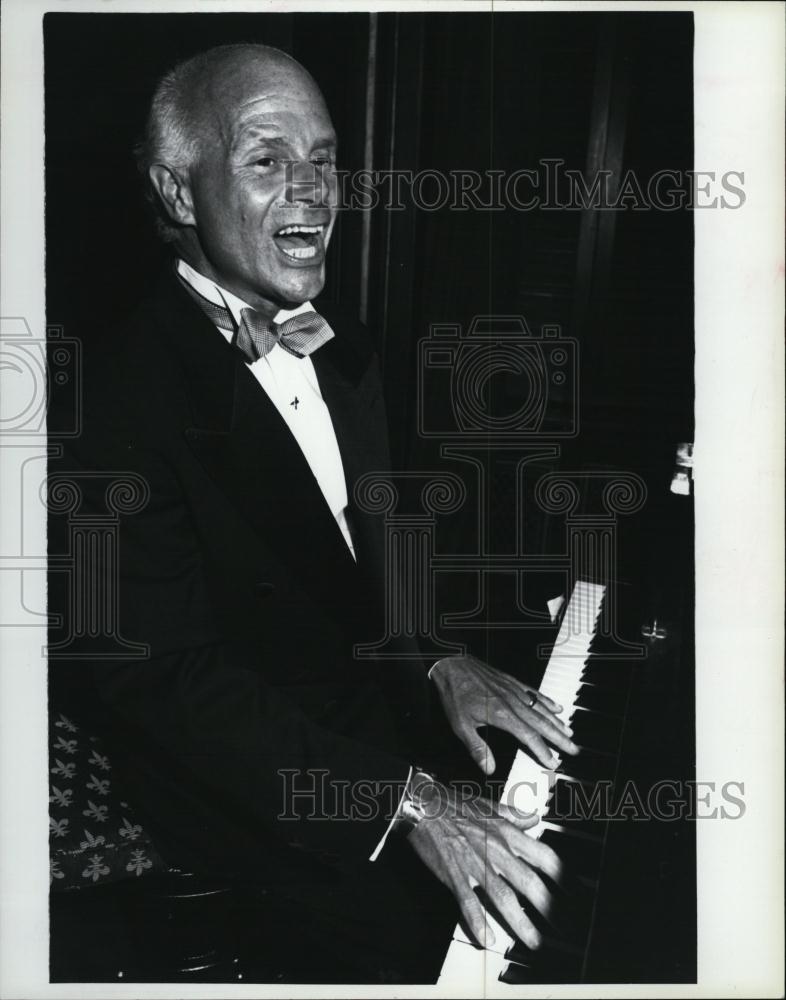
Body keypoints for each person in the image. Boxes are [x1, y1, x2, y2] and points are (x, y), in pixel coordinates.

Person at [52, 43, 578, 983]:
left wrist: (434, 652)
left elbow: (357, 561)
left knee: (582, 831)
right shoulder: (111, 398)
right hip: (253, 797)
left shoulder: (347, 345)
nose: (313, 189)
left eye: (325, 158)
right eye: (265, 159)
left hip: (375, 716)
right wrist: (403, 804)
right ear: (179, 194)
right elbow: (156, 682)